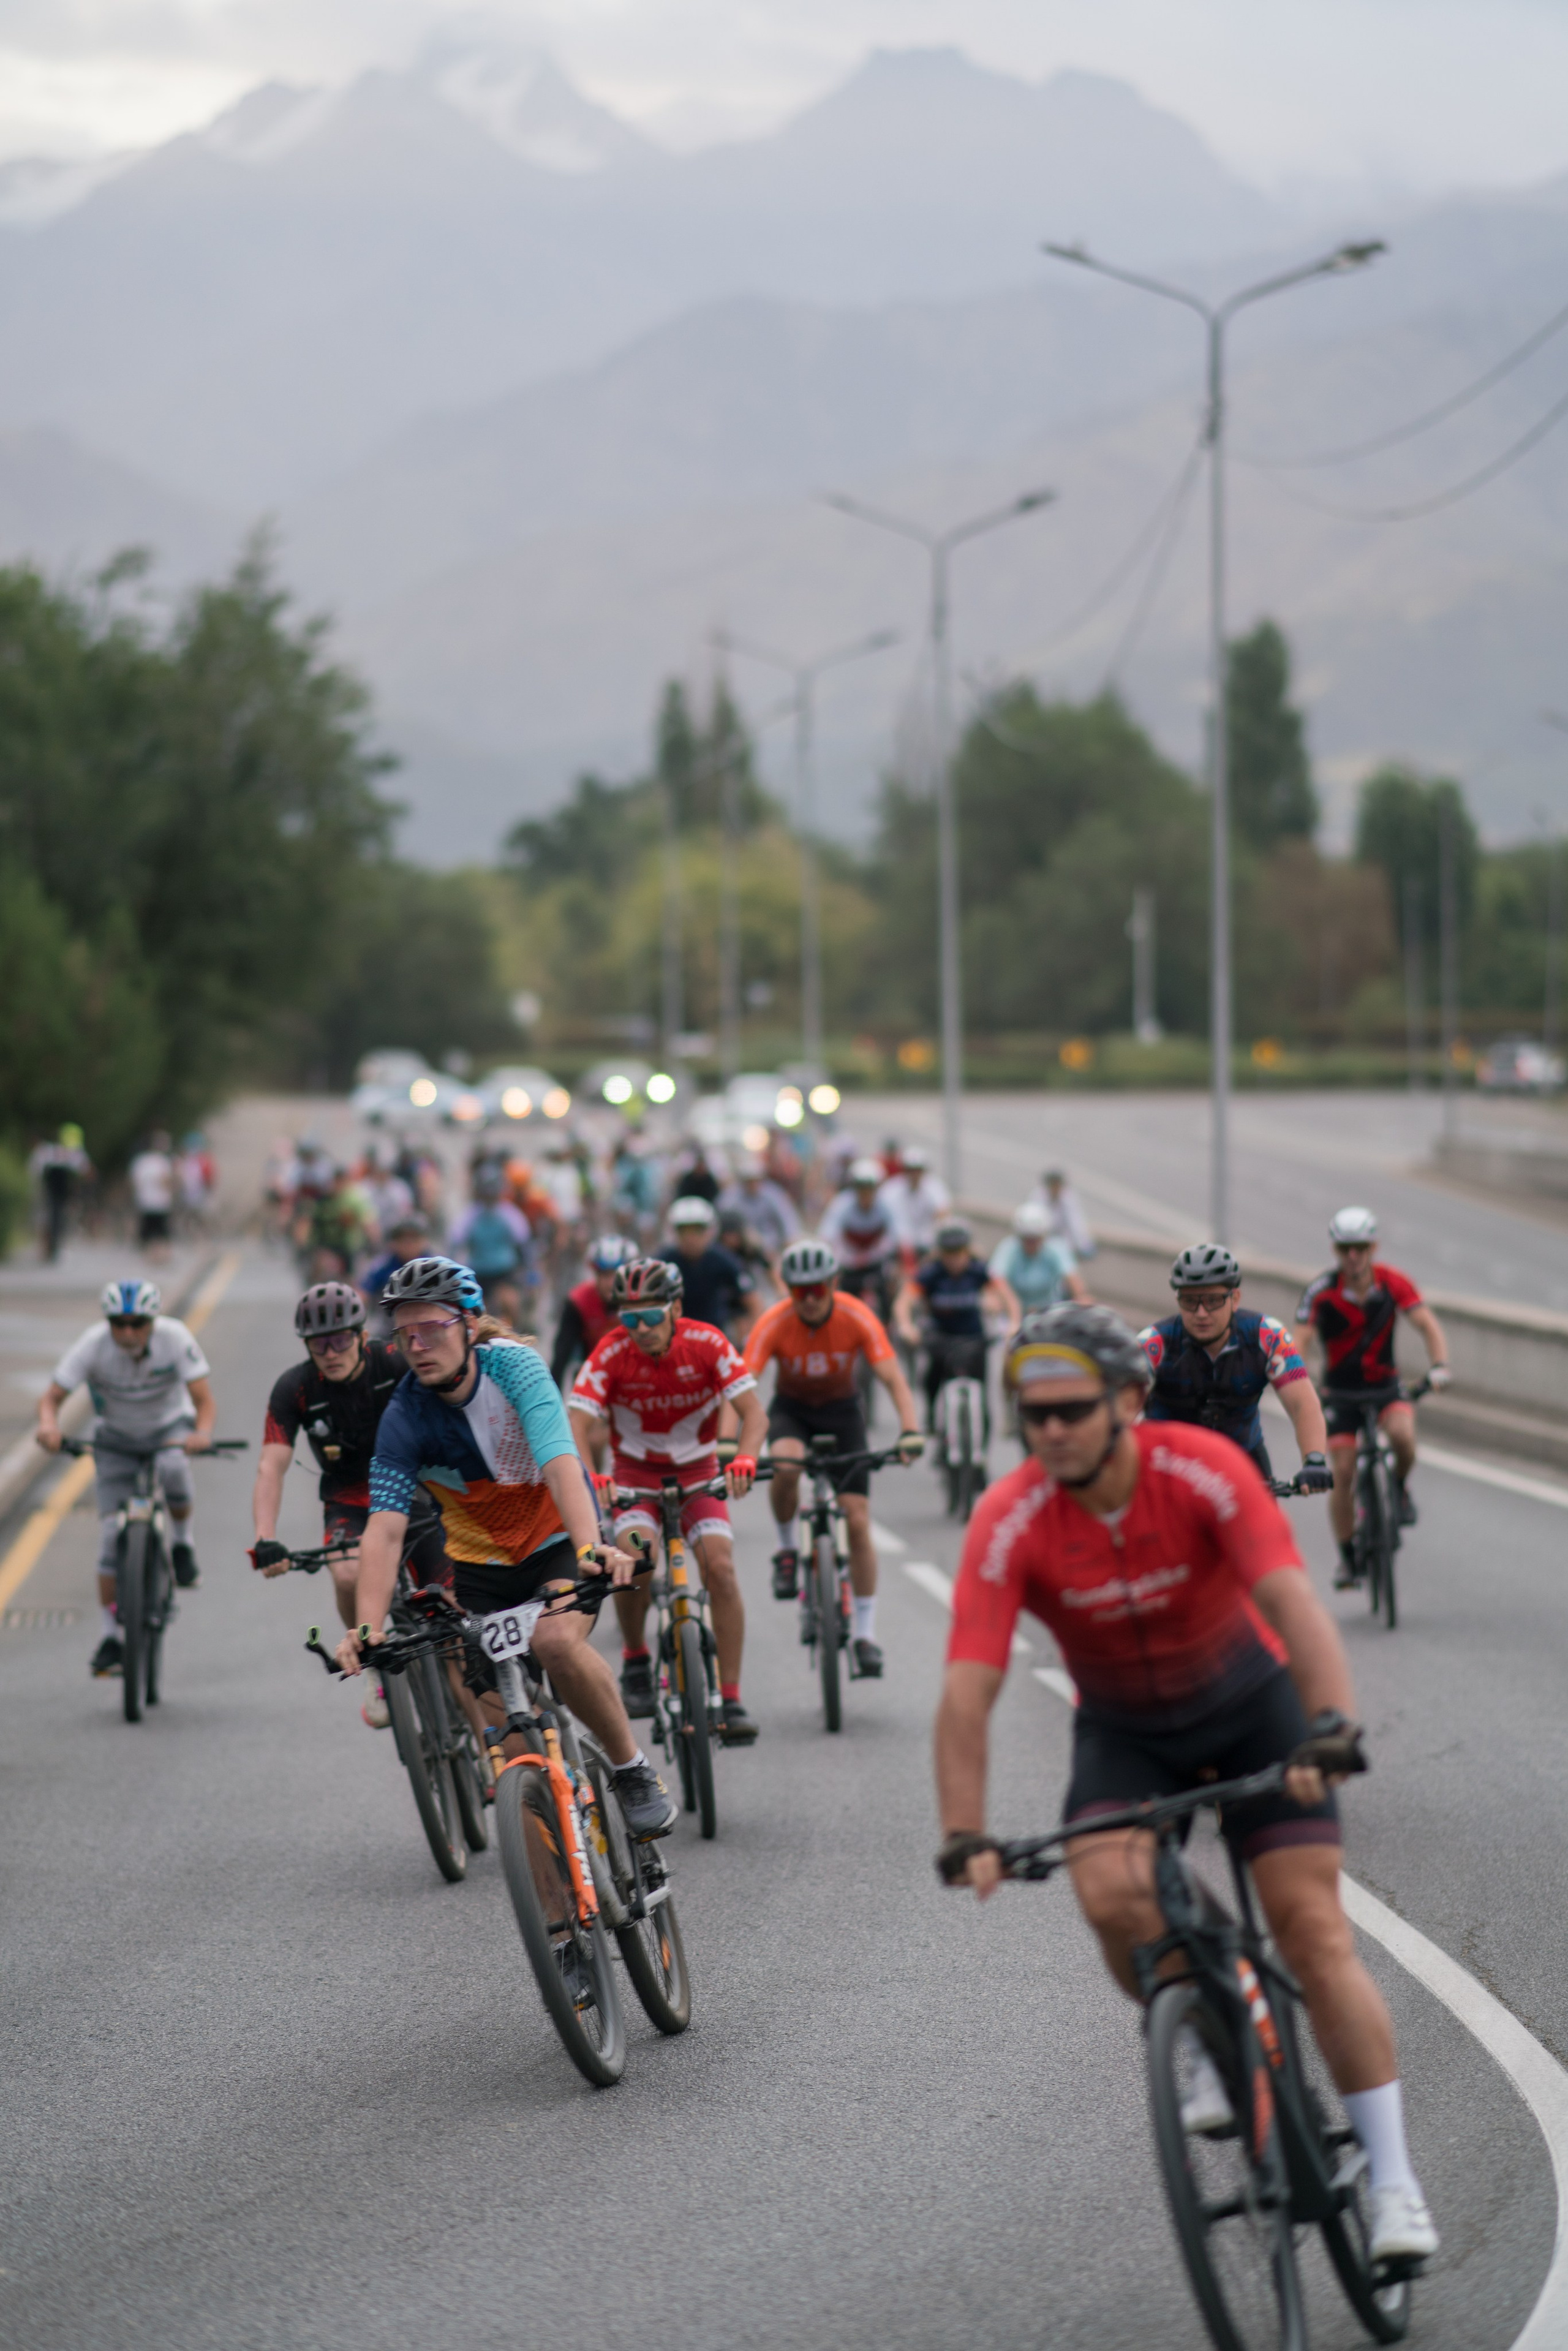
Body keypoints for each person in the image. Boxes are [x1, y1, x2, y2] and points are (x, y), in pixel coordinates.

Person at [932, 1303, 1439, 2268]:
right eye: (1031, 1416)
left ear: (1128, 1399)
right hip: (1128, 1732)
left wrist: (1331, 1727)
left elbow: (1292, 1599)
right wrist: (965, 1830)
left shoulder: (1201, 1471)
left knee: (1314, 1932)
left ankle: (1394, 2181)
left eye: (1071, 1409)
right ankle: (1197, 2022)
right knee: (1109, 1890)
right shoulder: (1012, 1517)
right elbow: (969, 1685)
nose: (1051, 1432)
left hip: (1252, 1706)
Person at [337, 1256, 677, 1843]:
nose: (417, 1345)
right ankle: (559, 1927)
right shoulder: (404, 1417)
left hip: (554, 1547)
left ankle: (632, 1769)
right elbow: (385, 1529)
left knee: (554, 1640)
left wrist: (592, 1547)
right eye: (405, 1333)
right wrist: (366, 1628)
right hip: (481, 1575)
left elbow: (560, 1460)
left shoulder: (515, 1368)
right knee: (519, 1772)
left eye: (432, 1328)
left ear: (470, 1324)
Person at [567, 1256, 767, 1743]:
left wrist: (744, 1459)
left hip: (699, 1473)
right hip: (636, 1477)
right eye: (629, 1318)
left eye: (651, 1316)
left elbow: (754, 1415)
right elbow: (575, 1422)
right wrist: (592, 1475)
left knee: (719, 1568)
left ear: (676, 1308)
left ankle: (732, 1694)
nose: (640, 1329)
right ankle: (636, 1658)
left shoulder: (708, 1341)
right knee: (636, 1561)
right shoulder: (612, 1352)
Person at [251, 1281, 457, 1731]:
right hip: (348, 1499)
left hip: (413, 1491)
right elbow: (271, 1465)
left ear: (362, 1336)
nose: (331, 1351)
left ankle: (486, 1754)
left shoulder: (394, 1363)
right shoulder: (295, 1388)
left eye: (341, 1339)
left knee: (452, 1610)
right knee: (346, 1571)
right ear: (307, 1347)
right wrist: (265, 1536)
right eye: (319, 1344)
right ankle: (374, 1665)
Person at [743, 1239, 924, 1675]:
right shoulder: (774, 1321)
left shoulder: (857, 1315)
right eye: (798, 1291)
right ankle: (788, 1551)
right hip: (793, 1411)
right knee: (785, 1467)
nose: (808, 1300)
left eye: (817, 1290)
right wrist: (733, 1446)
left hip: (844, 1414)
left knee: (858, 1520)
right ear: (787, 1290)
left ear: (833, 1285)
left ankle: (864, 1634)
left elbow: (893, 1378)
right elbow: (742, 1387)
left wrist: (910, 1430)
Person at [37, 1278, 215, 1680]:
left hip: (168, 1428)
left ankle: (182, 1544)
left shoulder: (175, 1338)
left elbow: (204, 1401)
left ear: (153, 1321)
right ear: (109, 1323)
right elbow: (51, 1398)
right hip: (114, 1438)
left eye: (138, 1324)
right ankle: (109, 1637)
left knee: (173, 1469)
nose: (129, 1332)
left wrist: (200, 1433)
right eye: (120, 1324)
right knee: (106, 1543)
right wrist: (49, 1426)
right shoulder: (92, 1344)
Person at [1294, 1208, 1451, 1590]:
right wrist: (1299, 1382)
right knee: (1342, 1471)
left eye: (1361, 1247)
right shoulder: (1321, 1291)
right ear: (1336, 1249)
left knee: (1403, 1438)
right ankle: (1348, 1558)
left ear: (1373, 1247)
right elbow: (1299, 1341)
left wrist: (1439, 1366)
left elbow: (1427, 1325)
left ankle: (1397, 1489)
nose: (1354, 1256)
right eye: (1346, 1248)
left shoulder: (1394, 1283)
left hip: (1385, 1386)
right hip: (1340, 1393)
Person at [1141, 1242, 1332, 1490]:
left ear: (1235, 1299)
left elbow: (1302, 1403)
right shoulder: (1154, 1343)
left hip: (1242, 1459)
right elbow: (1120, 1406)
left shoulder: (1266, 1335)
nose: (1200, 1313)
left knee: (1268, 1529)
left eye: (1213, 1300)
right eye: (1189, 1301)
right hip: (1170, 1466)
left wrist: (1314, 1460)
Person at [895, 1216, 1017, 1444]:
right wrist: (906, 1326)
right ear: (940, 1252)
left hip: (973, 1339)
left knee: (982, 1399)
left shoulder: (980, 1271)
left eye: (959, 1251)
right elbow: (904, 1301)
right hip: (942, 1338)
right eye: (949, 1252)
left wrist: (1012, 1323)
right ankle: (932, 1415)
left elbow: (1007, 1297)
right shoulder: (931, 1274)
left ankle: (980, 1454)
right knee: (932, 1377)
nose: (955, 1259)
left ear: (968, 1250)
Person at [656, 1196, 758, 1341]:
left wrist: (749, 1339)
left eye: (697, 1230)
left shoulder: (723, 1259)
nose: (690, 1238)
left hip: (714, 1337)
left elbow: (752, 1300)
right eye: (684, 1231)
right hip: (673, 1339)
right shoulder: (663, 1263)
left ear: (709, 1231)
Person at [818, 1155, 901, 1323]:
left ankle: (887, 1324)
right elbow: (827, 1235)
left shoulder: (886, 1206)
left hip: (875, 1260)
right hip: (849, 1262)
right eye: (861, 1188)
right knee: (842, 1297)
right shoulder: (842, 1205)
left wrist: (895, 1262)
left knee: (889, 1285)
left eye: (870, 1188)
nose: (866, 1194)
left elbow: (897, 1236)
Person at [549, 1233, 637, 1389]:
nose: (611, 1283)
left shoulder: (641, 1300)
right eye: (604, 1275)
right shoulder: (578, 1302)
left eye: (617, 1275)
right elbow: (561, 1357)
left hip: (636, 1374)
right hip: (594, 1376)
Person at [448, 1166, 530, 1326]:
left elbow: (523, 1243)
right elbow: (455, 1242)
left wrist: (529, 1271)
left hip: (504, 1272)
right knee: (479, 1315)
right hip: (479, 1273)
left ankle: (517, 1334)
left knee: (510, 1305)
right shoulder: (470, 1215)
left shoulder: (510, 1214)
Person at [989, 1202, 1086, 1317]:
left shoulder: (1056, 1248)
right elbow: (997, 1279)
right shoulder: (1009, 1248)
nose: (1031, 1244)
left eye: (1035, 1239)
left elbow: (1072, 1276)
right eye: (1026, 1239)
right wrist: (1013, 1308)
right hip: (1015, 1312)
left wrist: (1081, 1297)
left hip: (1049, 1312)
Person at [716, 1152, 801, 1259]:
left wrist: (790, 1241)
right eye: (749, 1180)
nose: (753, 1184)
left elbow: (788, 1221)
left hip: (772, 1249)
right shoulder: (731, 1197)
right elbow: (721, 1217)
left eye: (756, 1180)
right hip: (741, 1249)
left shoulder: (774, 1195)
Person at [358, 1212, 432, 1334]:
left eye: (414, 1238)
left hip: (426, 1321)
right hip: (391, 1324)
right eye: (402, 1239)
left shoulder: (433, 1265)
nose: (408, 1244)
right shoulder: (384, 1265)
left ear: (424, 1241)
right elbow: (364, 1292)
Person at [877, 1144, 950, 1265]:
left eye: (918, 1170)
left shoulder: (934, 1187)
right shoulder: (891, 1189)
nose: (914, 1174)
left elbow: (943, 1212)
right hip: (897, 1245)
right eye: (911, 1170)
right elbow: (884, 1217)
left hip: (925, 1244)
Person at [29, 1123, 92, 1261]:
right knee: (50, 1219)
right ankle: (47, 1248)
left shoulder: (50, 1152)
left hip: (62, 1192)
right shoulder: (47, 1152)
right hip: (52, 1191)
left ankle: (53, 1247)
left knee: (57, 1219)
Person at [129, 1131, 177, 1260]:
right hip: (160, 1202)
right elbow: (166, 1182)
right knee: (162, 1232)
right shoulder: (163, 1162)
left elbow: (135, 1182)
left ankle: (148, 1256)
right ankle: (161, 1257)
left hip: (144, 1201)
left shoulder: (140, 1161)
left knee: (147, 1231)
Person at [1030, 1167, 1096, 1260]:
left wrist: (1083, 1245)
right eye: (1053, 1185)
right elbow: (1032, 1220)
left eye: (1058, 1185)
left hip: (1062, 1240)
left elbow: (1076, 1223)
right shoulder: (1037, 1196)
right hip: (1041, 1239)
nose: (1055, 1188)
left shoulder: (1069, 1199)